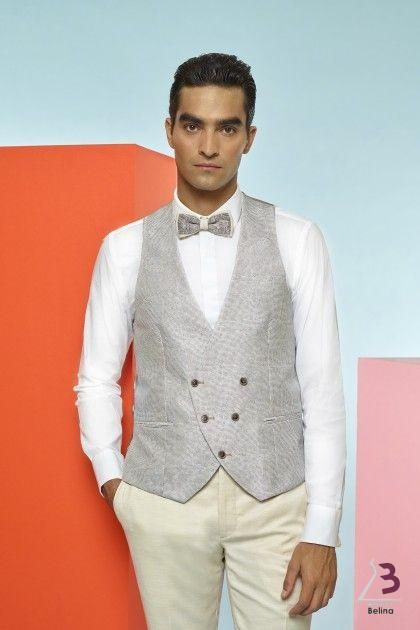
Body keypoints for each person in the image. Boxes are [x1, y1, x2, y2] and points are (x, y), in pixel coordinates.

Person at [73, 52, 347, 629]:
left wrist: (322, 527)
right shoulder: (124, 248)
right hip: (163, 498)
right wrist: (113, 480)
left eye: (227, 128)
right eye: (193, 124)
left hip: (274, 501)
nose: (207, 146)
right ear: (169, 129)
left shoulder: (298, 239)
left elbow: (322, 392)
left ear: (249, 137)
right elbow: (96, 377)